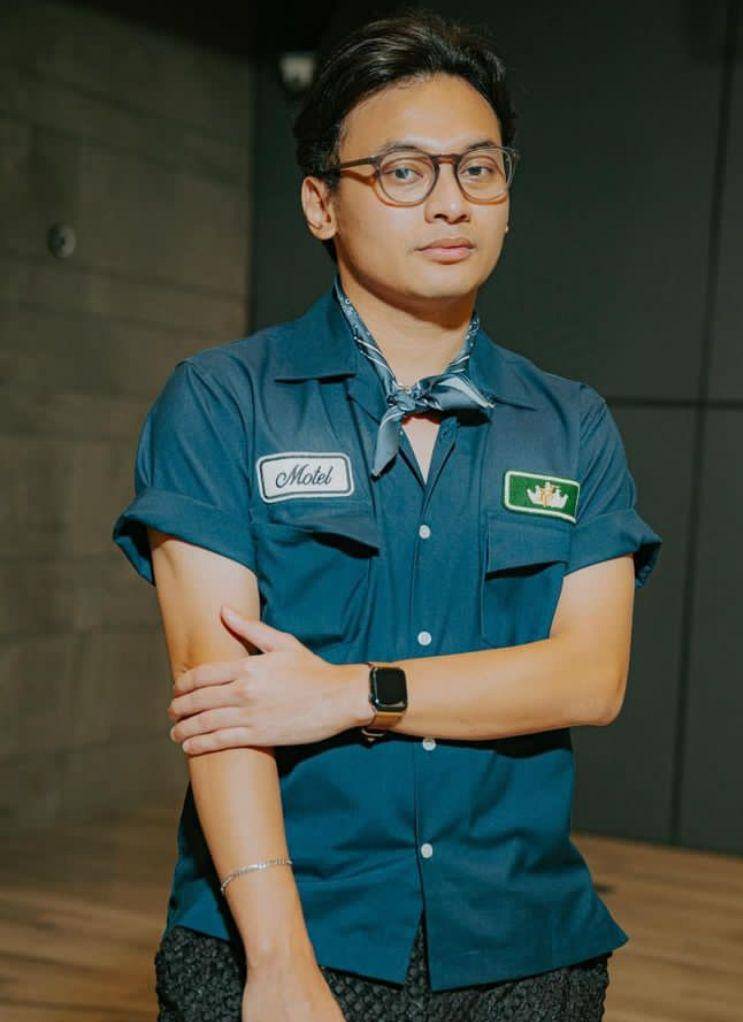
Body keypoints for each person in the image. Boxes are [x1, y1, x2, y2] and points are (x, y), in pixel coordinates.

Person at [112, 8, 662, 1021]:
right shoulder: (225, 399)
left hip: (523, 943)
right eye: (404, 171)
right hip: (288, 932)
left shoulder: (569, 421)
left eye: (479, 169)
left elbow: (590, 676)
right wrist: (279, 960)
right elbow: (223, 709)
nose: (451, 202)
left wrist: (350, 692)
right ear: (321, 202)